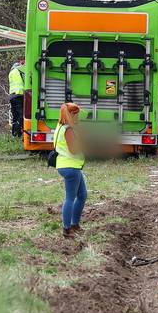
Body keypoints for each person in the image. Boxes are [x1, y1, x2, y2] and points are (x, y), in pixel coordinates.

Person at [54, 102, 87, 239]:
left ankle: (74, 225)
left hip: (68, 165)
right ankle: (67, 229)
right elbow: (73, 150)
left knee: (82, 195)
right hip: (70, 166)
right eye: (77, 114)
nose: (78, 117)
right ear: (71, 115)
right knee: (70, 198)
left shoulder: (60, 126)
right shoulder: (68, 129)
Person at [8, 59, 25, 137]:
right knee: (21, 115)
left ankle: (14, 134)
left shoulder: (11, 72)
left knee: (15, 116)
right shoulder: (20, 70)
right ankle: (19, 133)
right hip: (19, 95)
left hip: (12, 96)